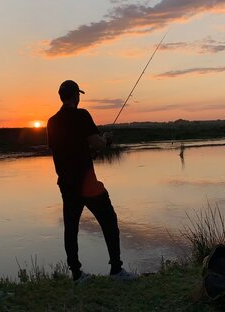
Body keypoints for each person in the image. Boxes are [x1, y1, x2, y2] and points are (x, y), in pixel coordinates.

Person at [47, 80, 136, 283]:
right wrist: (106, 140)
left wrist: (88, 154)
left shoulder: (52, 122)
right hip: (87, 184)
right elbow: (97, 143)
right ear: (76, 96)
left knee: (71, 228)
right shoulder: (82, 115)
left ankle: (76, 274)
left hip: (66, 184)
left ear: (61, 96)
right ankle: (116, 270)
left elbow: (62, 152)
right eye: (78, 95)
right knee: (109, 221)